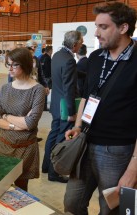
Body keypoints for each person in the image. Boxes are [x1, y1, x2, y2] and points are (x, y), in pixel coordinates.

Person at [64, 2, 137, 214]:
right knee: (72, 202)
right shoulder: (95, 58)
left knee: (111, 208)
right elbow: (87, 97)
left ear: (123, 28)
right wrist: (78, 126)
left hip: (117, 151)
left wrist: (133, 168)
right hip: (85, 144)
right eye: (96, 26)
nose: (96, 33)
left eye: (103, 27)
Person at [0, 48, 45, 191]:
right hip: (3, 145)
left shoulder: (37, 90)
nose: (10, 68)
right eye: (9, 64)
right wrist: (15, 125)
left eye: (14, 65)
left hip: (25, 149)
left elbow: (31, 122)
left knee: (20, 190)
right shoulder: (5, 88)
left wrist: (6, 116)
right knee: (0, 187)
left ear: (25, 65)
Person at [42, 30, 83, 183]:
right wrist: (72, 112)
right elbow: (69, 88)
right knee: (61, 139)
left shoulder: (57, 55)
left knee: (53, 135)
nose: (81, 45)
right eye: (80, 43)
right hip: (65, 107)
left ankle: (46, 166)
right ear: (74, 44)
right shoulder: (69, 60)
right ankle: (54, 172)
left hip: (55, 104)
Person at [39, 45, 53, 110]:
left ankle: (43, 107)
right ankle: (44, 107)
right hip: (47, 77)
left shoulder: (42, 57)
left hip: (42, 77)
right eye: (52, 50)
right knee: (46, 91)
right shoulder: (48, 58)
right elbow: (49, 69)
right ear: (50, 50)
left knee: (43, 92)